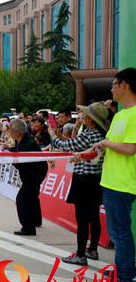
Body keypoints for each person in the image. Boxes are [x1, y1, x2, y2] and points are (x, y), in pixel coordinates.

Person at [92, 68, 136, 282]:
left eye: (114, 83)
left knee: (120, 234)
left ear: (125, 85)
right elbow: (111, 142)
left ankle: (124, 279)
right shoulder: (120, 115)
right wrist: (97, 148)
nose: (111, 88)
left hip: (123, 183)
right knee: (119, 231)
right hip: (110, 181)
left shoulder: (135, 115)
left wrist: (106, 144)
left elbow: (130, 149)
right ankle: (128, 271)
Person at [49, 102, 109, 266]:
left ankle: (81, 254)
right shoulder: (100, 134)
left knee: (82, 219)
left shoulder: (90, 134)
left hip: (83, 180)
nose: (82, 116)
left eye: (85, 114)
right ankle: (92, 250)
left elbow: (66, 145)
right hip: (95, 179)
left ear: (91, 119)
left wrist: (53, 135)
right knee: (93, 217)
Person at [8, 119, 48, 235]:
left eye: (11, 130)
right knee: (32, 197)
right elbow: (17, 152)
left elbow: (22, 164)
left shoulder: (27, 144)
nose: (9, 132)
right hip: (32, 171)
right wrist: (11, 151)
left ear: (17, 131)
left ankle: (28, 227)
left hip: (34, 173)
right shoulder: (21, 140)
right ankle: (36, 221)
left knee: (22, 199)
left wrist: (9, 159)